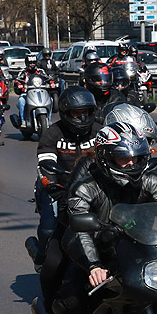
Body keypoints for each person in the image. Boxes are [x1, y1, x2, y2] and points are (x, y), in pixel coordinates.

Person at [35, 122, 157, 314]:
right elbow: (80, 229)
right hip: (96, 248)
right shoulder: (86, 186)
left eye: (136, 158)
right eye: (123, 158)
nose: (131, 163)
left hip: (132, 246)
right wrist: (93, 265)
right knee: (71, 299)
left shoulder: (150, 181)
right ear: (107, 157)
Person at [26, 86, 97, 269]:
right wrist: (52, 185)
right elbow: (45, 162)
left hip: (95, 187)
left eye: (86, 112)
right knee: (49, 228)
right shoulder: (53, 133)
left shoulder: (99, 130)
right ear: (66, 113)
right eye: (76, 113)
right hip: (60, 187)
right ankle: (42, 258)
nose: (82, 118)